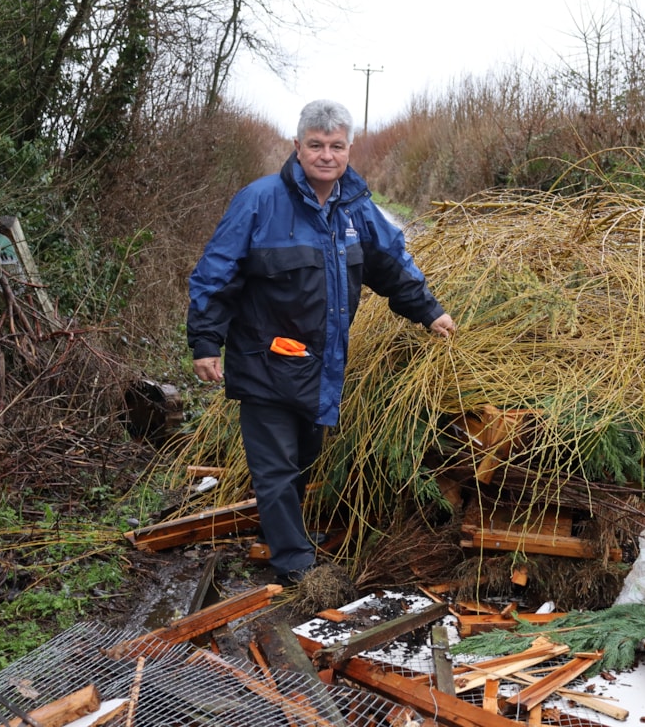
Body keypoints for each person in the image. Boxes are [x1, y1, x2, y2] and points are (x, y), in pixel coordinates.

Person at [187, 99, 456, 585]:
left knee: (302, 461)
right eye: (316, 145)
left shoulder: (356, 208)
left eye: (336, 146)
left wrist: (429, 311)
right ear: (298, 146)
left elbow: (391, 264)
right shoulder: (259, 202)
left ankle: (284, 534)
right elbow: (217, 273)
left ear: (349, 148)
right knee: (275, 467)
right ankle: (295, 564)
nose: (326, 155)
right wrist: (206, 341)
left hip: (320, 364)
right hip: (264, 358)